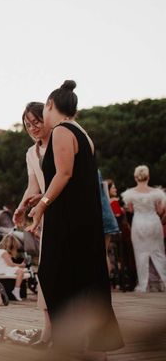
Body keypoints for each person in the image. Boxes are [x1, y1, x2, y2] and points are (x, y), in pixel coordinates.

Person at [27, 80, 124, 357]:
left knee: (53, 274)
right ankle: (93, 347)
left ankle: (71, 342)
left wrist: (43, 205)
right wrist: (41, 199)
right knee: (84, 278)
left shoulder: (60, 131)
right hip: (83, 218)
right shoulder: (82, 133)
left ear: (49, 105)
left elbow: (65, 174)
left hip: (68, 221)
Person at [13, 101, 52, 344]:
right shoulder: (31, 153)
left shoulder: (61, 143)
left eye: (36, 121)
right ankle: (49, 330)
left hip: (64, 211)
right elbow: (33, 186)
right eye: (28, 125)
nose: (33, 127)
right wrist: (21, 206)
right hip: (43, 213)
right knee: (46, 273)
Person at [121, 165, 166, 292]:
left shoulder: (130, 194)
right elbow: (159, 210)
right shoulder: (156, 193)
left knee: (140, 252)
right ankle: (162, 280)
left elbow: (130, 209)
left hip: (139, 222)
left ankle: (143, 284)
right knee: (158, 252)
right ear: (148, 177)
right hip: (153, 222)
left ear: (135, 177)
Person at [0, 234, 26, 301]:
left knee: (21, 270)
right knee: (21, 272)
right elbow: (10, 264)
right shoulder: (4, 252)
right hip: (2, 270)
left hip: (1, 268)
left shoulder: (1, 251)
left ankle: (17, 289)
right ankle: (16, 290)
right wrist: (20, 265)